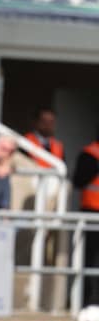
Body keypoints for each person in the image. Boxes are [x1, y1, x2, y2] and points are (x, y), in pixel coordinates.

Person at [72, 130, 99, 307]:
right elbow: (78, 181)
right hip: (91, 213)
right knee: (88, 260)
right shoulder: (90, 154)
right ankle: (86, 302)